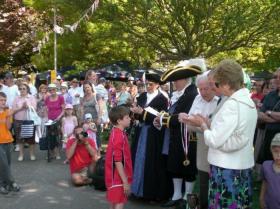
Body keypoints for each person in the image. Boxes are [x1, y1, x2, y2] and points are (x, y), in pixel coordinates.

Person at [186, 59, 258, 208]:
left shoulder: (232, 105)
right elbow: (236, 135)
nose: (215, 88)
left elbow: (213, 140)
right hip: (241, 166)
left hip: (226, 168)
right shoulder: (248, 102)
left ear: (226, 83)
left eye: (216, 84)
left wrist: (203, 125)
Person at [156, 59, 202, 208]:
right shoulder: (180, 93)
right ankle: (176, 196)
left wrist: (163, 118)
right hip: (176, 136)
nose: (175, 83)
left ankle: (186, 197)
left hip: (188, 137)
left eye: (177, 80)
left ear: (184, 79)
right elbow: (175, 114)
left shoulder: (191, 93)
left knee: (187, 167)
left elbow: (183, 116)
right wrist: (163, 117)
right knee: (175, 165)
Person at [178, 71, 218, 209]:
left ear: (212, 86)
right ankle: (202, 204)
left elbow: (218, 129)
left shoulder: (220, 101)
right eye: (200, 89)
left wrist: (199, 123)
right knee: (203, 179)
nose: (203, 92)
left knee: (216, 180)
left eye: (206, 88)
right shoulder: (197, 99)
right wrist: (203, 124)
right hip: (202, 145)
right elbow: (189, 125)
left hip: (218, 147)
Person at [130, 70, 171, 201]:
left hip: (154, 135)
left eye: (151, 84)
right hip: (140, 132)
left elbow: (161, 118)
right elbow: (136, 115)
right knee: (137, 159)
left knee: (152, 162)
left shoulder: (162, 99)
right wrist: (134, 112)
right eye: (147, 84)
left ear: (158, 85)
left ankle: (149, 193)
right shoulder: (141, 96)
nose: (148, 87)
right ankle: (136, 190)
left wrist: (143, 113)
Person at [105, 106, 133, 209]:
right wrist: (125, 181)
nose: (130, 119)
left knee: (114, 202)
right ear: (119, 121)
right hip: (117, 177)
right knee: (119, 202)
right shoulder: (118, 136)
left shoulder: (116, 132)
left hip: (114, 177)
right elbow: (117, 161)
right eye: (127, 117)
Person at [258, 69, 280, 163]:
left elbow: (265, 113)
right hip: (268, 138)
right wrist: (276, 119)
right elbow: (260, 114)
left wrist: (269, 113)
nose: (277, 79)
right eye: (275, 77)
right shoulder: (270, 95)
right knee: (267, 168)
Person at [0, 92, 20, 194]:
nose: (3, 102)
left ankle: (4, 185)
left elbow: (8, 127)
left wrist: (8, 115)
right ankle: (11, 183)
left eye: (4, 100)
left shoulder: (7, 112)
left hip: (8, 141)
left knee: (6, 164)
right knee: (3, 165)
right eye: (1, 100)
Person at [12, 83, 37, 161]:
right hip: (18, 120)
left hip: (29, 121)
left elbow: (35, 109)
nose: (22, 90)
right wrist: (21, 107)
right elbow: (13, 110)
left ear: (27, 90)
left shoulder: (32, 97)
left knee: (31, 139)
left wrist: (28, 106)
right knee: (19, 139)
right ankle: (21, 155)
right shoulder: (16, 98)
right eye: (20, 89)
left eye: (24, 88)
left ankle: (32, 154)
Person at [260, 133, 280, 209]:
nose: (279, 155)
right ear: (271, 151)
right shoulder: (266, 166)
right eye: (276, 151)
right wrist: (261, 198)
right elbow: (265, 182)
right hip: (268, 204)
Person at [45, 83, 65, 159]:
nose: (52, 91)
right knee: (50, 137)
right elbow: (46, 109)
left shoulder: (60, 97)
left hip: (58, 120)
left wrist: (59, 117)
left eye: (53, 89)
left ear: (56, 89)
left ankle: (57, 153)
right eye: (50, 90)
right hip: (50, 120)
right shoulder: (47, 98)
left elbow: (63, 110)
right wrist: (47, 118)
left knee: (57, 136)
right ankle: (52, 153)